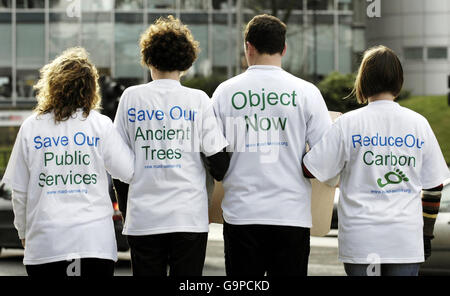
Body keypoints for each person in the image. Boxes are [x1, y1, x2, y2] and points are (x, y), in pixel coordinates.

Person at [302, 45, 450, 276]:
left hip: (361, 239)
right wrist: (426, 234)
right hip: (405, 240)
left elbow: (311, 169)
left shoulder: (347, 124)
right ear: (399, 80)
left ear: (363, 80)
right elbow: (434, 185)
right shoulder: (418, 123)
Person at [212, 14, 332, 276]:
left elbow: (212, 152)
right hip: (291, 214)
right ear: (284, 49)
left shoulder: (224, 92)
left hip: (242, 214)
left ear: (248, 47)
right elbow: (329, 152)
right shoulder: (307, 92)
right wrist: (304, 166)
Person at [1, 47, 134, 277]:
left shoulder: (31, 127)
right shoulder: (100, 125)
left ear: (51, 85)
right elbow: (129, 171)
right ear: (91, 89)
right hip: (94, 243)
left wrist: (23, 231)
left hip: (46, 243)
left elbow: (19, 192)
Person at [113, 16, 229, 276]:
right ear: (186, 62)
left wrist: (126, 210)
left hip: (143, 219)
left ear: (148, 58)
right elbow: (220, 165)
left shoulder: (131, 97)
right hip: (188, 218)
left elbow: (118, 165)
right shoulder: (198, 100)